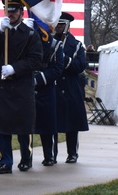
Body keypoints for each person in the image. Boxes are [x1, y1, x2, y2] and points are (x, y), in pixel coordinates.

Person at [0, 0, 42, 173]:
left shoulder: (30, 35)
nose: (10, 14)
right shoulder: (0, 32)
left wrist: (15, 68)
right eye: (8, 11)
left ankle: (26, 158)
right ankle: (5, 160)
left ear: (21, 12)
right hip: (2, 86)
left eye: (14, 11)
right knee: (1, 127)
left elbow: (36, 60)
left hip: (20, 85)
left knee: (23, 126)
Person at [55, 12, 90, 163]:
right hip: (54, 85)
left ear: (68, 26)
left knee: (72, 125)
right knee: (51, 124)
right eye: (57, 24)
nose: (59, 27)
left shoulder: (76, 45)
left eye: (62, 24)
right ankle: (50, 155)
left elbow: (81, 65)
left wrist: (65, 60)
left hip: (70, 86)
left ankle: (72, 153)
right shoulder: (49, 41)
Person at [33, 25, 65, 166]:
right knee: (26, 127)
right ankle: (26, 158)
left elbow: (57, 68)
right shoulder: (29, 40)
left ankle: (49, 155)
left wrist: (38, 79)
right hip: (27, 88)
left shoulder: (55, 45)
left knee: (48, 127)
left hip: (46, 90)